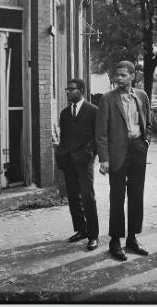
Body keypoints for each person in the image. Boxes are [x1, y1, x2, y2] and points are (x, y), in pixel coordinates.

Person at [96, 61, 152, 261]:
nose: (118, 78)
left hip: (137, 149)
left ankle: (132, 238)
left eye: (123, 75)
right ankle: (115, 241)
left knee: (137, 196)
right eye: (116, 75)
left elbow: (148, 120)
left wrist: (145, 142)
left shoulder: (142, 96)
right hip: (117, 153)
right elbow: (101, 132)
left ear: (132, 76)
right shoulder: (107, 99)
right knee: (117, 198)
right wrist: (104, 159)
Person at [56, 78, 99, 251]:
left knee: (88, 197)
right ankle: (81, 229)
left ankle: (93, 235)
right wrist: (62, 154)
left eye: (71, 89)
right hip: (68, 161)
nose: (67, 92)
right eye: (67, 89)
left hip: (84, 160)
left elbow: (99, 136)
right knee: (73, 197)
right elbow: (64, 137)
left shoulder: (93, 111)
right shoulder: (65, 113)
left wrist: (91, 154)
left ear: (81, 90)